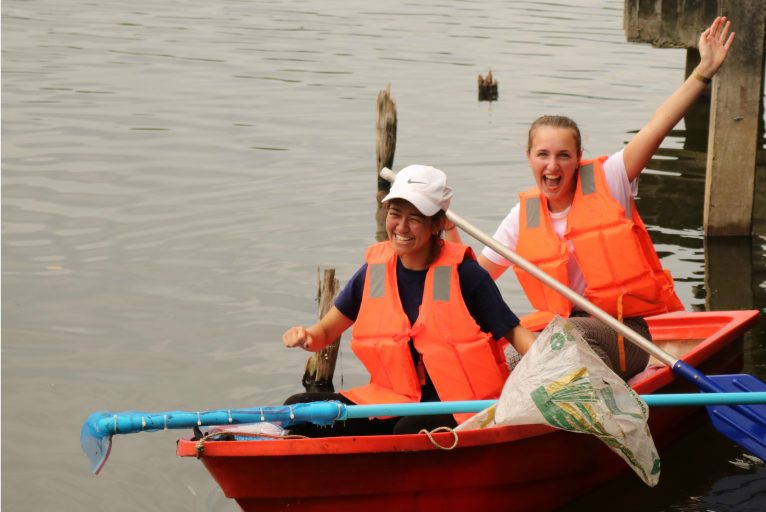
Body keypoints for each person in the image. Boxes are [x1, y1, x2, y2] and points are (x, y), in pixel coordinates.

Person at [478, 17, 735, 381]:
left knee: (565, 339)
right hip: (564, 334)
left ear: (579, 156)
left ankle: (595, 409)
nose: (553, 166)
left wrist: (703, 72)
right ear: (529, 156)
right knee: (506, 354)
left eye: (563, 156)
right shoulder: (521, 218)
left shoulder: (610, 179)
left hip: (630, 333)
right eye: (543, 155)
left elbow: (656, 127)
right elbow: (473, 280)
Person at [282, 164, 535, 437]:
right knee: (296, 411)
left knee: (409, 432)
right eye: (395, 214)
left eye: (414, 218)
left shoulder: (466, 275)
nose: (401, 227)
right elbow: (325, 333)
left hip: (461, 404)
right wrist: (305, 336)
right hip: (392, 399)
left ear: (437, 223)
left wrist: (556, 370)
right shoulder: (374, 273)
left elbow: (514, 332)